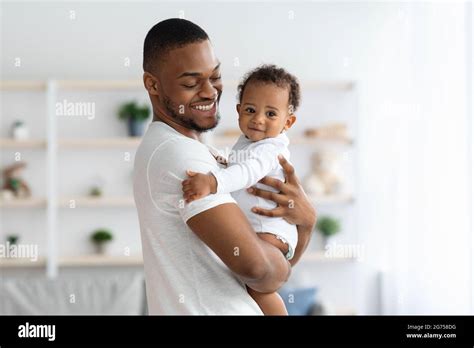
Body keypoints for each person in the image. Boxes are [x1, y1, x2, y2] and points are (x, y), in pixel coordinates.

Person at [133, 18, 316, 315]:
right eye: (191, 83)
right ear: (152, 84)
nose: (210, 92)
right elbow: (258, 270)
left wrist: (302, 228)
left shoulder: (193, 151)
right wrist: (305, 228)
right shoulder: (181, 157)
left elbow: (263, 273)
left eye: (215, 76)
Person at [182, 64, 300, 315]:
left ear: (287, 122)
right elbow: (239, 165)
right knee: (245, 287)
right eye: (250, 110)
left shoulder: (271, 149)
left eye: (270, 114)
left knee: (258, 288)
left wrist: (213, 182)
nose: (258, 119)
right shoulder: (248, 141)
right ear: (238, 111)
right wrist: (222, 163)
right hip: (257, 231)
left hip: (269, 233)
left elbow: (247, 172)